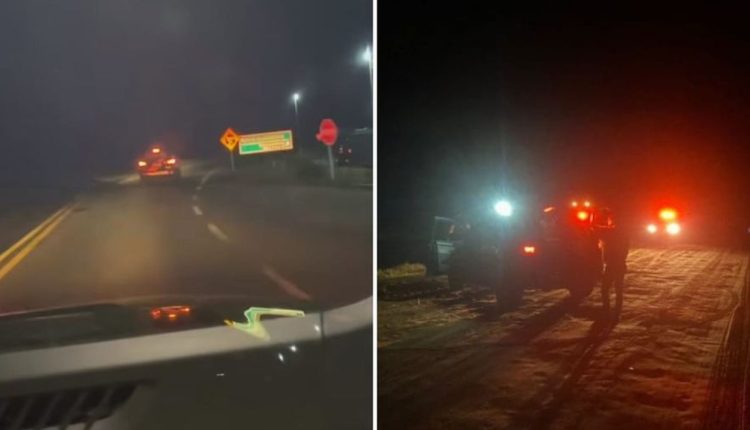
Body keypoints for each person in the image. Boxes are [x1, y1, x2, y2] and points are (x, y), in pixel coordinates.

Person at [595, 208, 630, 317]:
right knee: (618, 289)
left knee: (605, 289)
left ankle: (606, 309)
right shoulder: (623, 233)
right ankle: (617, 311)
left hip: (611, 265)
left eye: (609, 219)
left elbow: (599, 230)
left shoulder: (611, 232)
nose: (608, 221)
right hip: (621, 264)